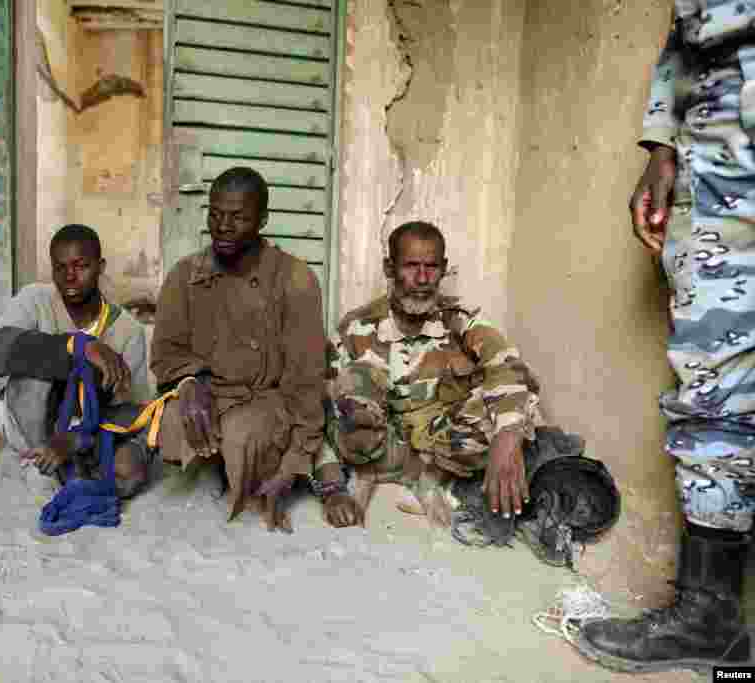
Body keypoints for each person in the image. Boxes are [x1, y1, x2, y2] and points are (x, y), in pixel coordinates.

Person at [576, 5, 755, 673]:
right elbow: (687, 29)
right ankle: (711, 616)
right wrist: (662, 143)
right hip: (718, 142)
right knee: (712, 379)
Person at [150, 166, 361, 532]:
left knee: (243, 434)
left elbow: (305, 386)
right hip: (210, 394)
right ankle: (219, 464)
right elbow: (166, 353)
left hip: (266, 401)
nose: (223, 227)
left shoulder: (295, 279)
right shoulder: (184, 275)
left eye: (238, 217)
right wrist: (189, 382)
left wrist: (294, 463)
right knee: (173, 423)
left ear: (262, 219)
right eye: (215, 214)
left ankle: (270, 465)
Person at [322, 221, 543, 528]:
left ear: (443, 269)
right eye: (411, 266)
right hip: (376, 447)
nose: (423, 278)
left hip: (435, 449)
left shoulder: (461, 319)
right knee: (350, 382)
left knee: (508, 405)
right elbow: (315, 410)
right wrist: (331, 487)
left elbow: (507, 366)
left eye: (432, 267)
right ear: (389, 268)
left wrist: (508, 436)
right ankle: (375, 473)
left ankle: (425, 478)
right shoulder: (355, 327)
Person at [0, 224, 151, 499]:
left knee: (130, 471)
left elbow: (132, 411)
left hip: (87, 432)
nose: (70, 277)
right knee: (36, 370)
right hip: (32, 423)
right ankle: (40, 459)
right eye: (60, 268)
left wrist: (77, 438)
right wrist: (77, 345)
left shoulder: (128, 331)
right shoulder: (35, 300)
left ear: (100, 266)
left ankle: (68, 463)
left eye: (81, 266)